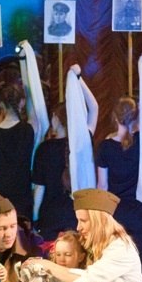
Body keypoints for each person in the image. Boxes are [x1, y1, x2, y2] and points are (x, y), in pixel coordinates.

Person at [96, 96, 142, 282]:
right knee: (141, 268)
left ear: (114, 117)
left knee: (115, 267)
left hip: (116, 215)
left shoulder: (105, 147)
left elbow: (102, 186)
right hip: (141, 214)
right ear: (136, 118)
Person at [32, 74, 98, 240]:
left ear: (56, 119)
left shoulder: (44, 149)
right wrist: (78, 77)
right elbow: (94, 108)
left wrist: (35, 219)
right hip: (77, 217)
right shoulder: (82, 144)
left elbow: (39, 189)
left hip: (49, 217)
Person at [0, 80, 35, 220]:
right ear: (22, 103)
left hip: (0, 196)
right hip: (22, 196)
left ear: (1, 104)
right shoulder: (27, 131)